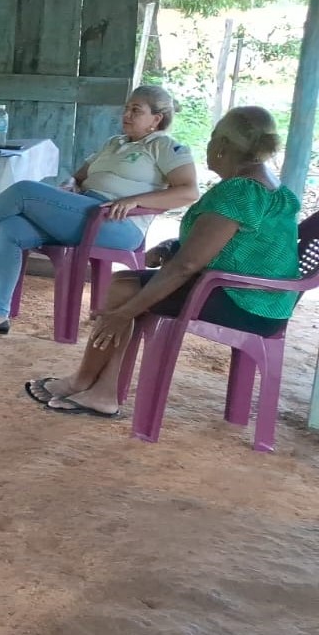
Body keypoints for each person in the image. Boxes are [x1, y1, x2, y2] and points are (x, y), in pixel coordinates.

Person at [26, 106, 298, 417]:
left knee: (125, 291)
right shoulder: (271, 186)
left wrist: (123, 314)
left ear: (223, 145)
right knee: (127, 285)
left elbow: (186, 266)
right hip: (262, 301)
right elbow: (231, 244)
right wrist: (173, 246)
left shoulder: (239, 191)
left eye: (212, 138)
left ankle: (88, 382)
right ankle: (99, 388)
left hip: (245, 303)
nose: (208, 145)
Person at [0, 86, 199, 335]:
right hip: (84, 211)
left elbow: (188, 191)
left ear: (157, 119)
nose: (126, 115)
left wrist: (136, 200)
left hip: (117, 224)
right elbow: (81, 176)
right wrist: (71, 183)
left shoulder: (166, 146)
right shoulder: (115, 142)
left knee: (24, 190)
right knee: (9, 228)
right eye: (126, 108)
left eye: (136, 110)